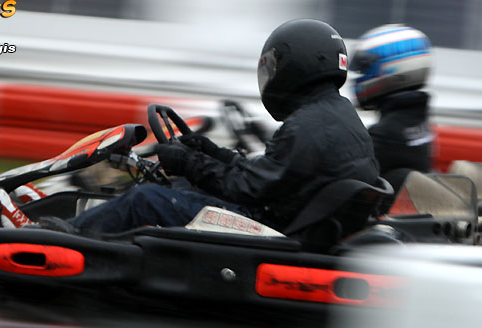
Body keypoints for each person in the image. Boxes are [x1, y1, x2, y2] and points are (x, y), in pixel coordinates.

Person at [68, 19, 379, 236]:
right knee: (181, 188)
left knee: (147, 198)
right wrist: (212, 152)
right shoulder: (336, 116)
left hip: (272, 226)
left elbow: (249, 189)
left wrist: (188, 162)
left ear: (295, 65)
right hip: (294, 217)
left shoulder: (307, 126)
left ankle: (69, 237)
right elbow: (270, 175)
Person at [350, 24, 434, 189]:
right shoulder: (417, 120)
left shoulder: (384, 134)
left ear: (393, 68)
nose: (361, 76)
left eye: (365, 69)